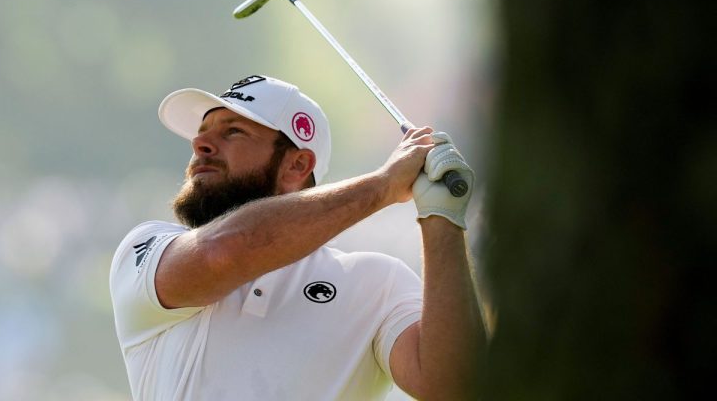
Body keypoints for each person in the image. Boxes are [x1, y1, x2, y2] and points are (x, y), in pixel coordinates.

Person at [109, 75, 485, 400]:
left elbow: (455, 388)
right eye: (202, 134)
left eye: (232, 131)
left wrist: (442, 216)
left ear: (296, 165)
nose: (200, 145)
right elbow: (220, 253)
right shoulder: (147, 250)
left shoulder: (375, 283)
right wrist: (383, 185)